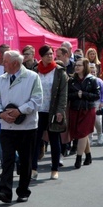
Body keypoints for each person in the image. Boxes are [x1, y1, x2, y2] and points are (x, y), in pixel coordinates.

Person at [0, 50, 42, 204]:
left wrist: (19, 111)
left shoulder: (32, 77)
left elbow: (37, 100)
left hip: (27, 127)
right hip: (7, 126)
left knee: (26, 160)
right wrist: (1, 114)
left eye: (5, 61)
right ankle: (5, 192)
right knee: (7, 159)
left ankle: (23, 191)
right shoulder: (1, 79)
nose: (2, 63)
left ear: (15, 63)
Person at [32, 45, 67, 180]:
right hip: (38, 110)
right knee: (35, 140)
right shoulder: (35, 71)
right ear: (41, 56)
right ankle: (33, 168)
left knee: (54, 140)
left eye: (52, 54)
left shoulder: (59, 72)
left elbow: (63, 94)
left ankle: (54, 169)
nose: (50, 56)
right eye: (47, 54)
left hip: (53, 111)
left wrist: (60, 111)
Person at [67, 58, 100, 168]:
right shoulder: (71, 80)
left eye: (79, 65)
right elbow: (67, 95)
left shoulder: (92, 80)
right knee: (81, 134)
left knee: (82, 133)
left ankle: (78, 158)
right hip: (75, 109)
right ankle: (88, 155)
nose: (76, 67)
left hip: (88, 109)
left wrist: (84, 94)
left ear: (84, 67)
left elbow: (97, 95)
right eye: (76, 65)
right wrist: (77, 95)